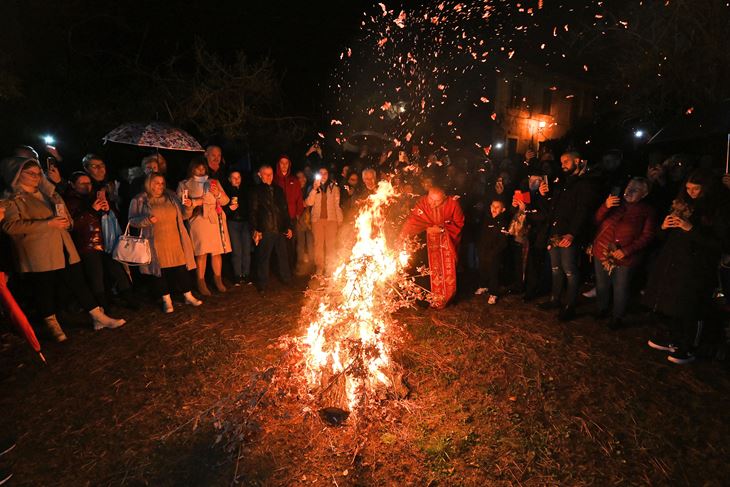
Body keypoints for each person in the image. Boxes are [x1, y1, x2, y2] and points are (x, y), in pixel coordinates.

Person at [1, 156, 125, 340]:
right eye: (30, 173)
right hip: (38, 251)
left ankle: (98, 317)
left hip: (64, 247)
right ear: (17, 174)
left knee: (78, 282)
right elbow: (10, 226)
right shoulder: (12, 199)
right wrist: (47, 224)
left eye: (38, 173)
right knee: (45, 288)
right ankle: (53, 326)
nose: (36, 177)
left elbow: (69, 219)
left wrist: (68, 223)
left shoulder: (49, 193)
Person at [644, 170, 724, 364]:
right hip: (672, 261)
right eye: (688, 188)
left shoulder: (717, 210)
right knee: (671, 301)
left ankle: (688, 346)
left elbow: (720, 244)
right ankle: (671, 337)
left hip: (696, 266)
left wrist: (691, 229)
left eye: (696, 189)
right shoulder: (682, 204)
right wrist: (664, 227)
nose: (692, 193)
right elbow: (663, 238)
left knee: (688, 305)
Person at [538, 151, 601, 321]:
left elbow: (583, 211)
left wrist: (573, 233)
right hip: (555, 232)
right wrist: (545, 195)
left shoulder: (586, 183)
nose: (563, 164)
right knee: (556, 268)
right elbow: (554, 206)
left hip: (569, 234)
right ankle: (555, 299)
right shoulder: (563, 182)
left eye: (566, 161)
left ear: (578, 161)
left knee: (570, 270)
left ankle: (570, 305)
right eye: (561, 161)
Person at [128, 173, 202, 313]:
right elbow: (132, 220)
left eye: (162, 183)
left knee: (181, 268)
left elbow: (184, 215)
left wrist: (188, 207)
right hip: (155, 242)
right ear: (149, 183)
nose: (160, 186)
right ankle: (166, 300)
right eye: (157, 183)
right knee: (160, 272)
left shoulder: (171, 196)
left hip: (174, 239)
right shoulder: (139, 200)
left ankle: (188, 295)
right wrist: (147, 220)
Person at [63, 172, 136, 310]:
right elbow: (73, 224)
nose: (87, 186)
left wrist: (108, 210)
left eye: (89, 183)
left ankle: (129, 298)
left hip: (106, 241)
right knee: (96, 275)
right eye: (82, 183)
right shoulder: (69, 201)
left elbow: (113, 216)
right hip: (87, 244)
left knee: (117, 269)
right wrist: (91, 210)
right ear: (72, 185)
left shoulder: (93, 197)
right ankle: (102, 306)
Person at [592, 177, 656, 329]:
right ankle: (602, 308)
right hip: (602, 250)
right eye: (629, 187)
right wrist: (605, 206)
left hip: (625, 256)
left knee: (620, 287)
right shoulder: (615, 203)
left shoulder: (647, 211)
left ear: (644, 194)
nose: (629, 191)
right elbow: (596, 220)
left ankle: (617, 317)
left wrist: (627, 250)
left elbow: (647, 236)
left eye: (636, 189)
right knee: (602, 284)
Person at [401, 186, 465, 309]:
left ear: (444, 198)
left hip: (446, 243)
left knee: (448, 270)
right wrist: (426, 229)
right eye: (431, 199)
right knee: (424, 270)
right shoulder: (422, 203)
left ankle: (447, 299)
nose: (432, 203)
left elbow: (459, 223)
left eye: (437, 201)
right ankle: (424, 300)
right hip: (426, 244)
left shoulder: (453, 204)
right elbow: (413, 222)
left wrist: (442, 229)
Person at [177, 158, 231, 295]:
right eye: (198, 168)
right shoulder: (185, 184)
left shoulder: (213, 182)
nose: (201, 171)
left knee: (217, 252)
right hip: (199, 220)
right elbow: (182, 206)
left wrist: (217, 193)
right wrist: (195, 202)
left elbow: (225, 200)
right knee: (201, 252)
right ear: (192, 169)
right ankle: (200, 281)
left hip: (215, 219)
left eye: (203, 168)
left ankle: (217, 279)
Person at [249, 164, 293, 293]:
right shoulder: (255, 191)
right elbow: (253, 211)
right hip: (266, 229)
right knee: (263, 257)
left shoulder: (278, 190)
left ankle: (286, 279)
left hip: (279, 228)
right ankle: (262, 284)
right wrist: (256, 229)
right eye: (266, 174)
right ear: (260, 175)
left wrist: (288, 226)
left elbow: (284, 210)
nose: (269, 177)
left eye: (271, 174)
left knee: (283, 256)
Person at [305, 167, 343, 277]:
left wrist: (339, 219)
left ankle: (330, 268)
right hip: (317, 221)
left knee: (331, 245)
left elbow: (337, 205)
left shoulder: (334, 188)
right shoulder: (312, 187)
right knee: (318, 245)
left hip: (332, 220)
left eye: (325, 173)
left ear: (328, 174)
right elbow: (309, 203)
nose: (323, 175)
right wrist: (314, 189)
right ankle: (320, 268)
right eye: (320, 173)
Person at [476, 199, 510, 305]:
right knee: (483, 268)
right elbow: (481, 236)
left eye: (497, 207)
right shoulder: (486, 219)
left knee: (493, 273)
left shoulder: (503, 222)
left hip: (495, 253)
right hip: (483, 251)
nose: (494, 209)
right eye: (493, 206)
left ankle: (493, 293)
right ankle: (483, 286)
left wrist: (494, 252)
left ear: (503, 209)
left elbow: (503, 242)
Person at [274, 155, 304, 270]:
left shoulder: (294, 180)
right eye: (282, 163)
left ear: (289, 164)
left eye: (286, 163)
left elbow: (299, 199)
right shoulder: (274, 179)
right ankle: (280, 269)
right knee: (279, 246)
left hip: (291, 217)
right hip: (277, 218)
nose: (284, 165)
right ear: (278, 164)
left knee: (290, 245)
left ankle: (290, 269)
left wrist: (297, 214)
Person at [223, 169, 251, 285]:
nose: (236, 180)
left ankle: (246, 274)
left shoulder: (246, 191)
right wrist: (230, 209)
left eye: (238, 177)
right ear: (229, 179)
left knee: (246, 250)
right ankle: (237, 275)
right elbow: (223, 210)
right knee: (237, 250)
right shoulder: (226, 192)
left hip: (245, 223)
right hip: (233, 222)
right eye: (234, 177)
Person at [294, 170, 314, 275]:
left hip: (309, 219)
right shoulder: (295, 189)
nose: (302, 179)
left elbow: (311, 202)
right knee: (300, 243)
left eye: (303, 177)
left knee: (310, 243)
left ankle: (311, 266)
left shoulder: (310, 188)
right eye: (299, 177)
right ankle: (300, 265)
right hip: (299, 219)